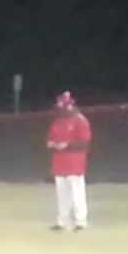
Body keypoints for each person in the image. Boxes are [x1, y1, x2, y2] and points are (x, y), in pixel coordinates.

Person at [45, 91, 92, 231]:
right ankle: (62, 221)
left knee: (77, 193)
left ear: (69, 105)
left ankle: (81, 222)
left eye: (61, 106)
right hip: (59, 164)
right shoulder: (57, 121)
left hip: (75, 163)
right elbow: (49, 139)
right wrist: (52, 144)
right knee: (62, 194)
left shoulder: (80, 120)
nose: (59, 109)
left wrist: (67, 145)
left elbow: (84, 142)